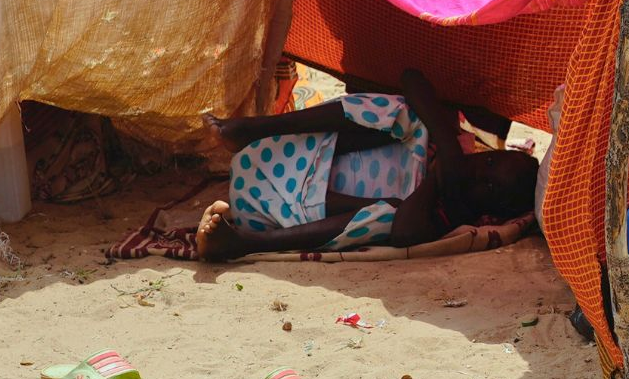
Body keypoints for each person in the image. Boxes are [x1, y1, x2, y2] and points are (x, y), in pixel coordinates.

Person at [193, 69, 537, 262]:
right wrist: (446, 146)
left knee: (392, 215)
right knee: (407, 117)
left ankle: (245, 243)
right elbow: (412, 79)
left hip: (285, 210)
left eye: (490, 187)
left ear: (492, 211)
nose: (480, 172)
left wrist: (436, 177)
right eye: (490, 160)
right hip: (279, 152)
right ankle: (251, 128)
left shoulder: (455, 211)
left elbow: (405, 233)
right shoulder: (451, 138)